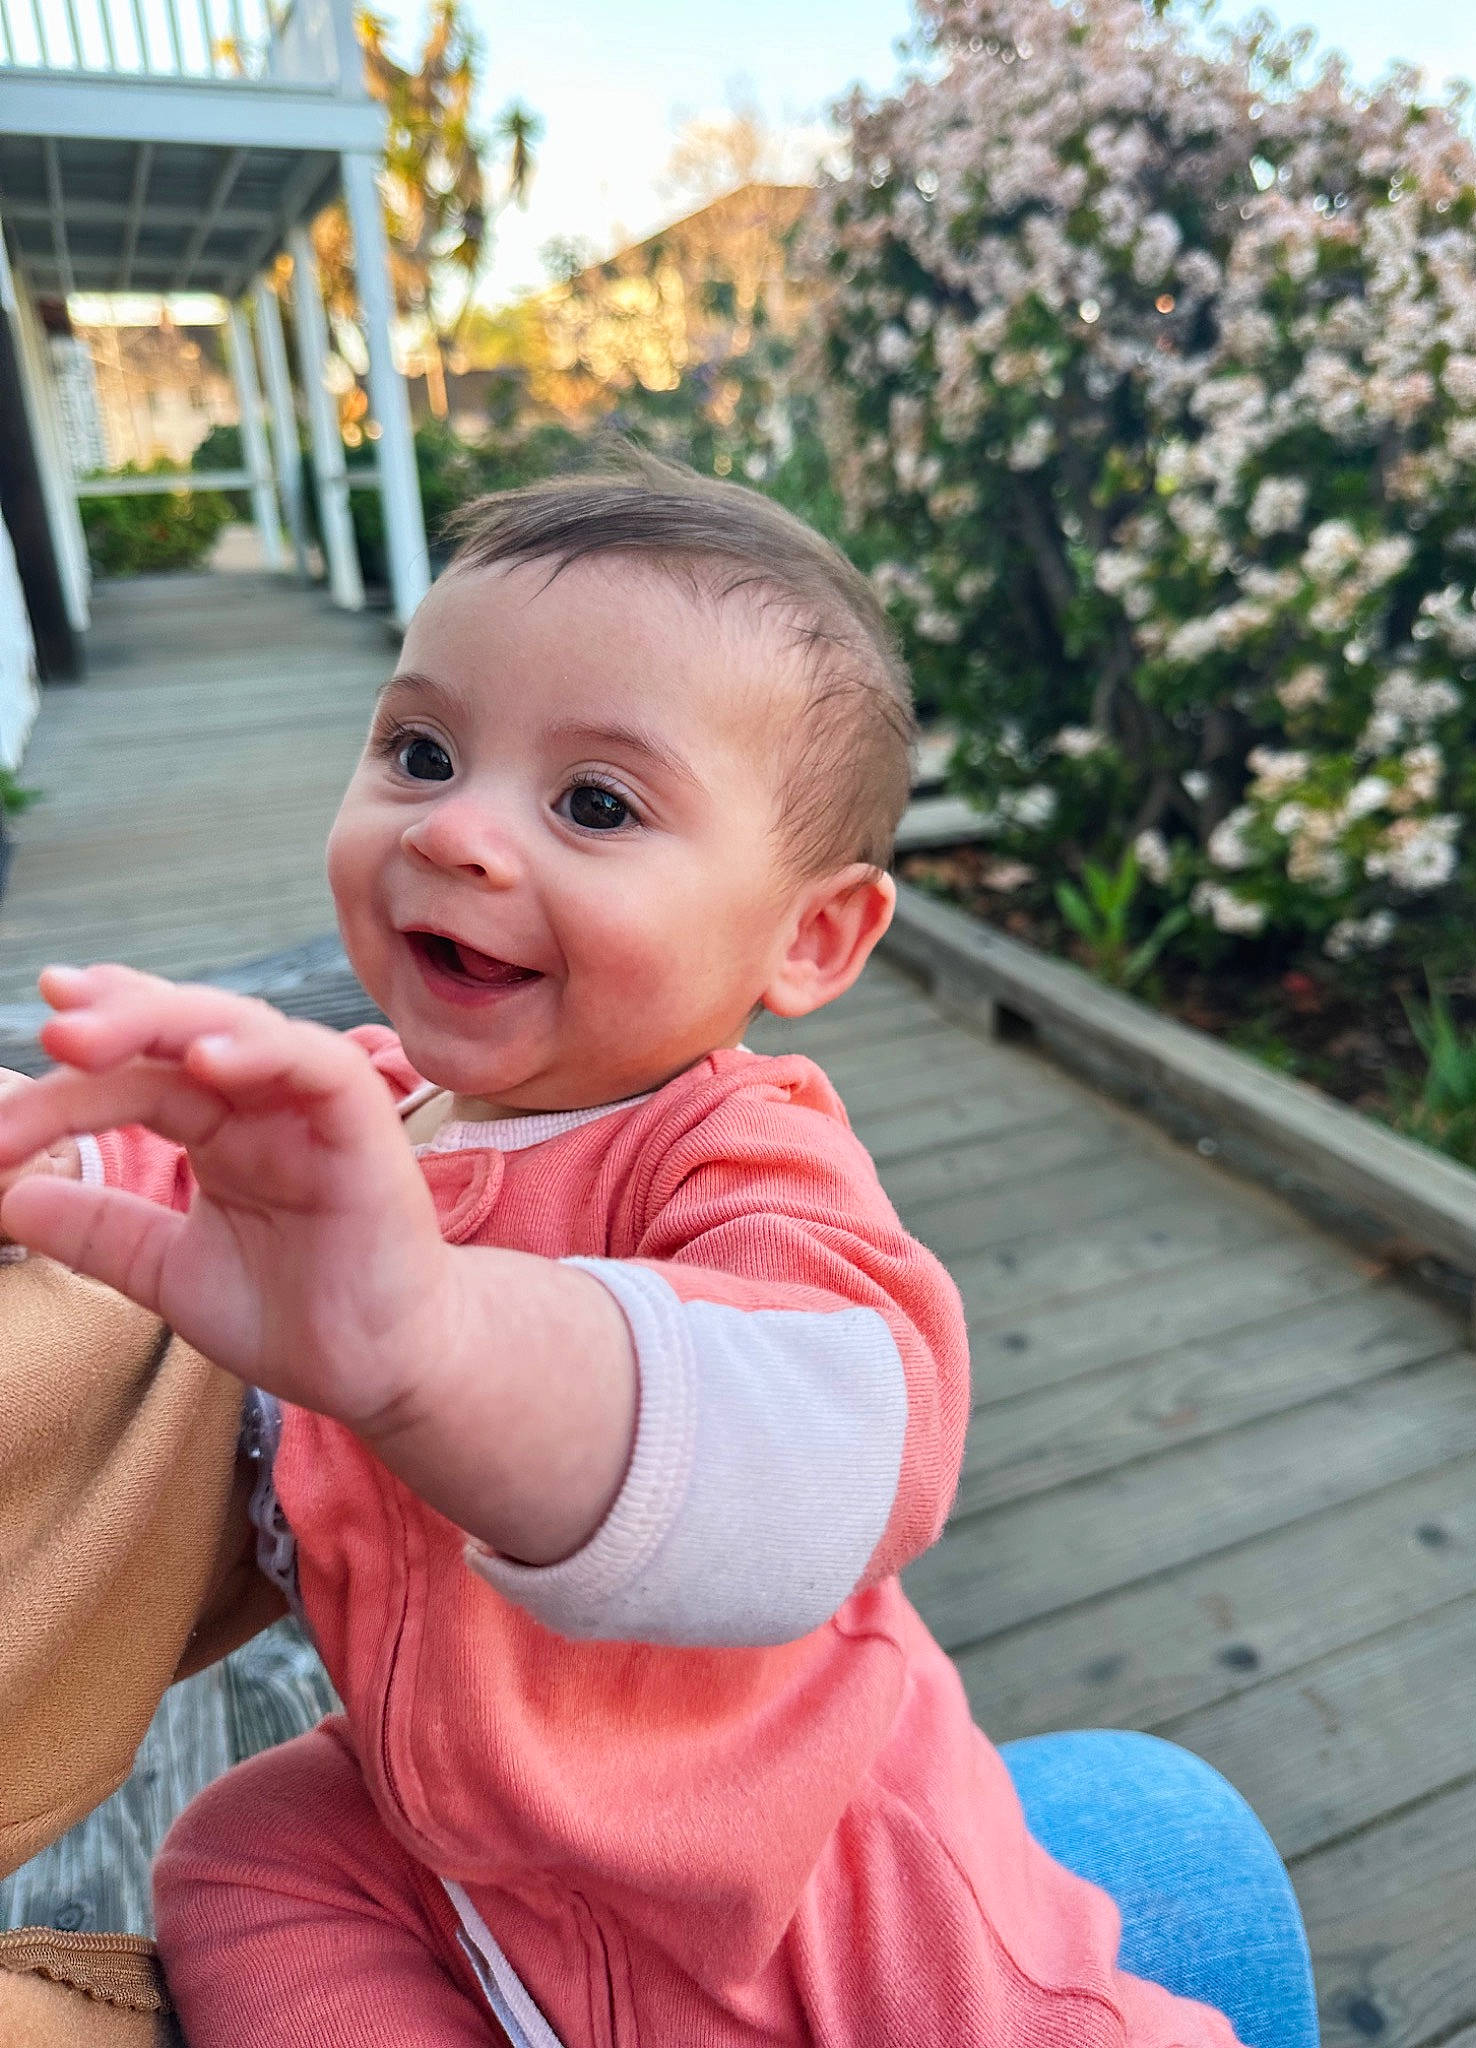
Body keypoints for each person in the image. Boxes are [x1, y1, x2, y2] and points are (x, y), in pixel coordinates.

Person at [0, 456, 1275, 2048]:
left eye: (596, 803)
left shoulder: (730, 1150)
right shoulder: (366, 1119)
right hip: (449, 1834)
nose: (457, 830)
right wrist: (62, 1135)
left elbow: (847, 1427)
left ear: (810, 938)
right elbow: (164, 1182)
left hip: (797, 1884)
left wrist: (442, 1345)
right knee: (247, 1855)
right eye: (419, 749)